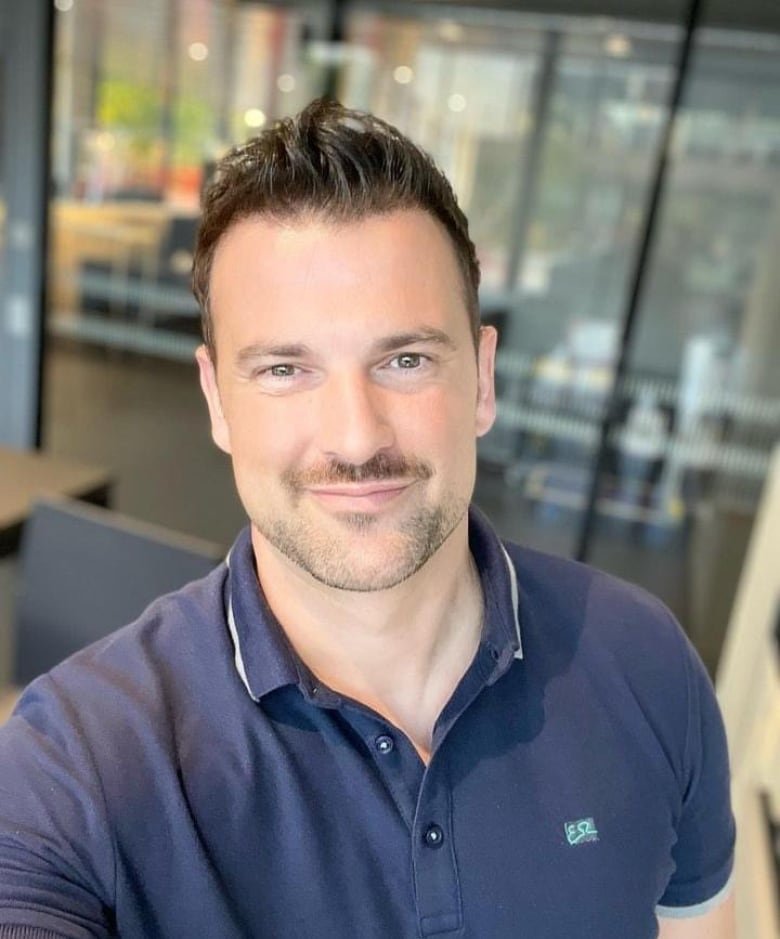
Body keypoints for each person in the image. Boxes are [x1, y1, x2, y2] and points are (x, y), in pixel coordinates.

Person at [0, 99, 735, 939]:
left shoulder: (646, 666)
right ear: (216, 400)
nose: (357, 437)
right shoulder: (78, 765)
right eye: (284, 368)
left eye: (406, 359)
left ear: (484, 379)